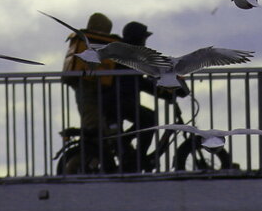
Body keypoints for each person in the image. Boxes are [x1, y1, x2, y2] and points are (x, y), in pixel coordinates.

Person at [105, 20, 181, 171]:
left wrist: (161, 90)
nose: (145, 42)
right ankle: (139, 158)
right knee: (149, 119)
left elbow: (141, 81)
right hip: (118, 100)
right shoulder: (130, 55)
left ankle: (126, 146)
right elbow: (141, 82)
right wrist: (165, 92)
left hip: (118, 100)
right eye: (143, 38)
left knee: (144, 120)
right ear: (137, 39)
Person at [61, 11, 119, 171]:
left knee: (100, 136)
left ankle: (93, 166)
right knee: (94, 134)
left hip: (92, 94)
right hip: (87, 95)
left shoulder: (86, 44)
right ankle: (72, 170)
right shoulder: (88, 44)